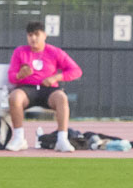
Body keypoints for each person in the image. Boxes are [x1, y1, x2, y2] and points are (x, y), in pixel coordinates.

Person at [5, 22, 82, 152]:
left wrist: (56, 77)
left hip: (49, 90)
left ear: (44, 35)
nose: (33, 38)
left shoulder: (55, 52)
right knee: (15, 97)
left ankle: (62, 139)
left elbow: (76, 70)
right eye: (30, 35)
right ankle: (19, 138)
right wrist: (19, 75)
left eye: (36, 34)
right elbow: (11, 76)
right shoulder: (20, 52)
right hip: (27, 89)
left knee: (61, 98)